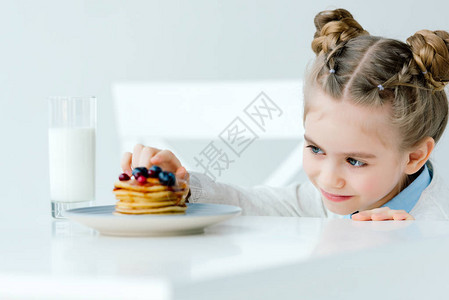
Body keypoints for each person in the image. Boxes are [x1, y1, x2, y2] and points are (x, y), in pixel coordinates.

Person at [120, 8, 449, 221]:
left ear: (415, 156)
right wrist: (183, 186)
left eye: (356, 161)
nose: (327, 177)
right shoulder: (333, 197)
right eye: (316, 149)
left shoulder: (434, 226)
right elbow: (252, 204)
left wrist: (402, 250)